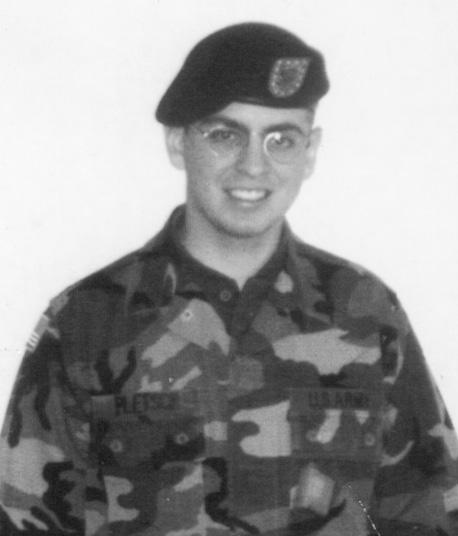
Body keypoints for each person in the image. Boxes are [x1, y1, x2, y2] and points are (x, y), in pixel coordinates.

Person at [0, 21, 457, 536]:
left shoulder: (366, 313)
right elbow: (26, 520)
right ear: (178, 143)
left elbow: (431, 511)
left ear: (310, 151)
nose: (253, 166)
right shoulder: (86, 321)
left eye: (281, 139)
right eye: (224, 135)